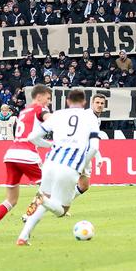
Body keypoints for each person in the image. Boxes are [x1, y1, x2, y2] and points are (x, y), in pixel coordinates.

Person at [17, 89, 101, 246]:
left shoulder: (58, 114)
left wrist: (49, 145)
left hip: (50, 163)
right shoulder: (90, 117)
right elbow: (94, 147)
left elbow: (32, 137)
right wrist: (82, 164)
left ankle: (23, 236)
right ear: (84, 102)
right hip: (70, 167)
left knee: (44, 198)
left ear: (67, 101)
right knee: (62, 209)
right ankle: (43, 200)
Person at [0, 84, 52, 241]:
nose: (49, 102)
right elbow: (50, 120)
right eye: (48, 98)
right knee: (48, 190)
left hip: (11, 155)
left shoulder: (24, 112)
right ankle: (29, 214)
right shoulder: (40, 109)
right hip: (27, 155)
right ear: (39, 97)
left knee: (11, 200)